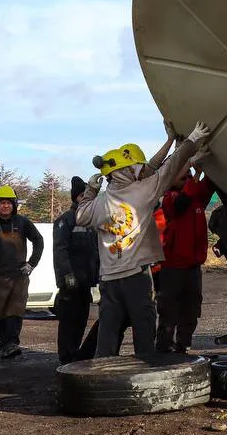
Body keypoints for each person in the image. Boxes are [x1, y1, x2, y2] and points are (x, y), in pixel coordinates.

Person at [76, 123, 208, 357]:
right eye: (136, 168)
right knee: (144, 332)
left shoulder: (100, 202)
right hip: (135, 278)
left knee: (108, 334)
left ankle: (101, 381)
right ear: (127, 171)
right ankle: (145, 379)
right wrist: (192, 140)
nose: (141, 170)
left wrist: (91, 189)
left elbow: (81, 213)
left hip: (108, 280)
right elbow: (168, 169)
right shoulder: (143, 193)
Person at [0, 185, 43, 359]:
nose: (5, 206)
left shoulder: (23, 222)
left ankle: (12, 343)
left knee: (16, 310)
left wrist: (31, 264)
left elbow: (38, 240)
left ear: (14, 205)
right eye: (2, 203)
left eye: (9, 203)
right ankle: (4, 343)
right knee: (0, 311)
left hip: (19, 276)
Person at [155, 167, 215, 354]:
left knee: (191, 309)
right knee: (169, 311)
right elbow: (181, 203)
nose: (188, 179)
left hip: (193, 266)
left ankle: (183, 345)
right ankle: (164, 347)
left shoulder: (196, 200)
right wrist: (197, 175)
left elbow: (208, 185)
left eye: (189, 176)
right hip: (172, 267)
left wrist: (208, 167)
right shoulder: (169, 199)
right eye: (184, 177)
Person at [53, 177, 100, 364]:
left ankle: (75, 357)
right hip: (70, 284)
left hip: (85, 283)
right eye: (82, 195)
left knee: (80, 321)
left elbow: (95, 251)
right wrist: (67, 275)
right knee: (68, 323)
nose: (85, 198)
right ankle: (66, 359)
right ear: (75, 198)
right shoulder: (65, 221)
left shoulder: (90, 222)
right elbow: (60, 250)